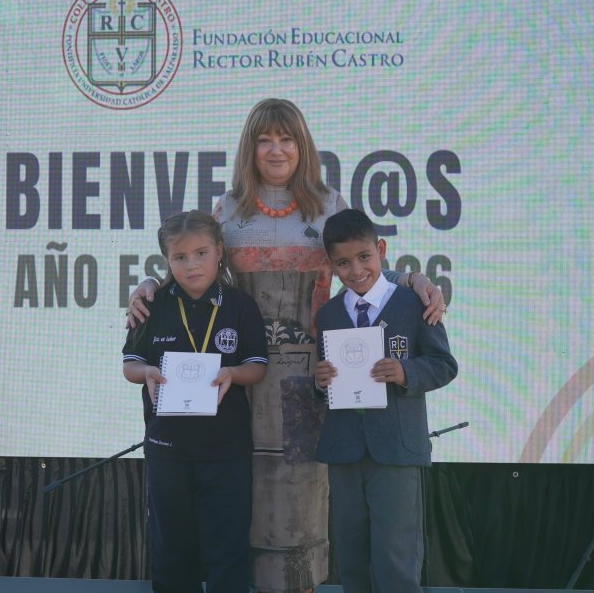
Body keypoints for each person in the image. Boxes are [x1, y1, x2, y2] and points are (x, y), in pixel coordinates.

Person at [127, 98, 446, 593]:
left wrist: (414, 279)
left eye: (287, 139)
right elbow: (195, 268)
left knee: (299, 498)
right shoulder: (228, 209)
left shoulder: (330, 204)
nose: (276, 150)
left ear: (303, 145)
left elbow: (361, 265)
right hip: (240, 380)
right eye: (264, 140)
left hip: (312, 380)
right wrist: (150, 285)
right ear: (249, 148)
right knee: (245, 496)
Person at [122, 210, 268, 593]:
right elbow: (130, 365)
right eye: (180, 257)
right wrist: (147, 372)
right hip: (168, 449)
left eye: (201, 253)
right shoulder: (151, 305)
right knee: (172, 549)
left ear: (219, 251)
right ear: (166, 260)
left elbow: (257, 367)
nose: (192, 265)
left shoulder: (239, 305)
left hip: (226, 450)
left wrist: (233, 373)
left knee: (228, 549)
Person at [313, 208, 458, 593]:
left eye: (364, 257)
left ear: (380, 250)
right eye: (343, 263)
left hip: (396, 449)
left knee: (396, 556)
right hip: (345, 450)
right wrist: (320, 381)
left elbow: (444, 365)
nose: (356, 269)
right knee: (351, 556)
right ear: (331, 266)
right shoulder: (328, 315)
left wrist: (406, 372)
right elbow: (325, 380)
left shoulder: (414, 302)